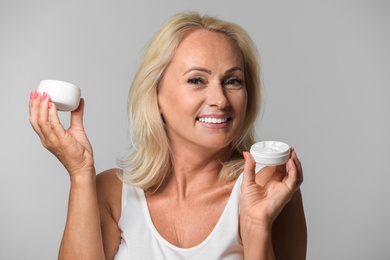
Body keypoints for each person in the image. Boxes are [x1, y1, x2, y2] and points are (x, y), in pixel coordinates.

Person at [29, 12, 306, 260]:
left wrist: (257, 225)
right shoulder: (112, 192)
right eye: (197, 80)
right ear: (156, 95)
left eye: (233, 81)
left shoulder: (267, 187)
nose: (220, 100)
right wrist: (79, 173)